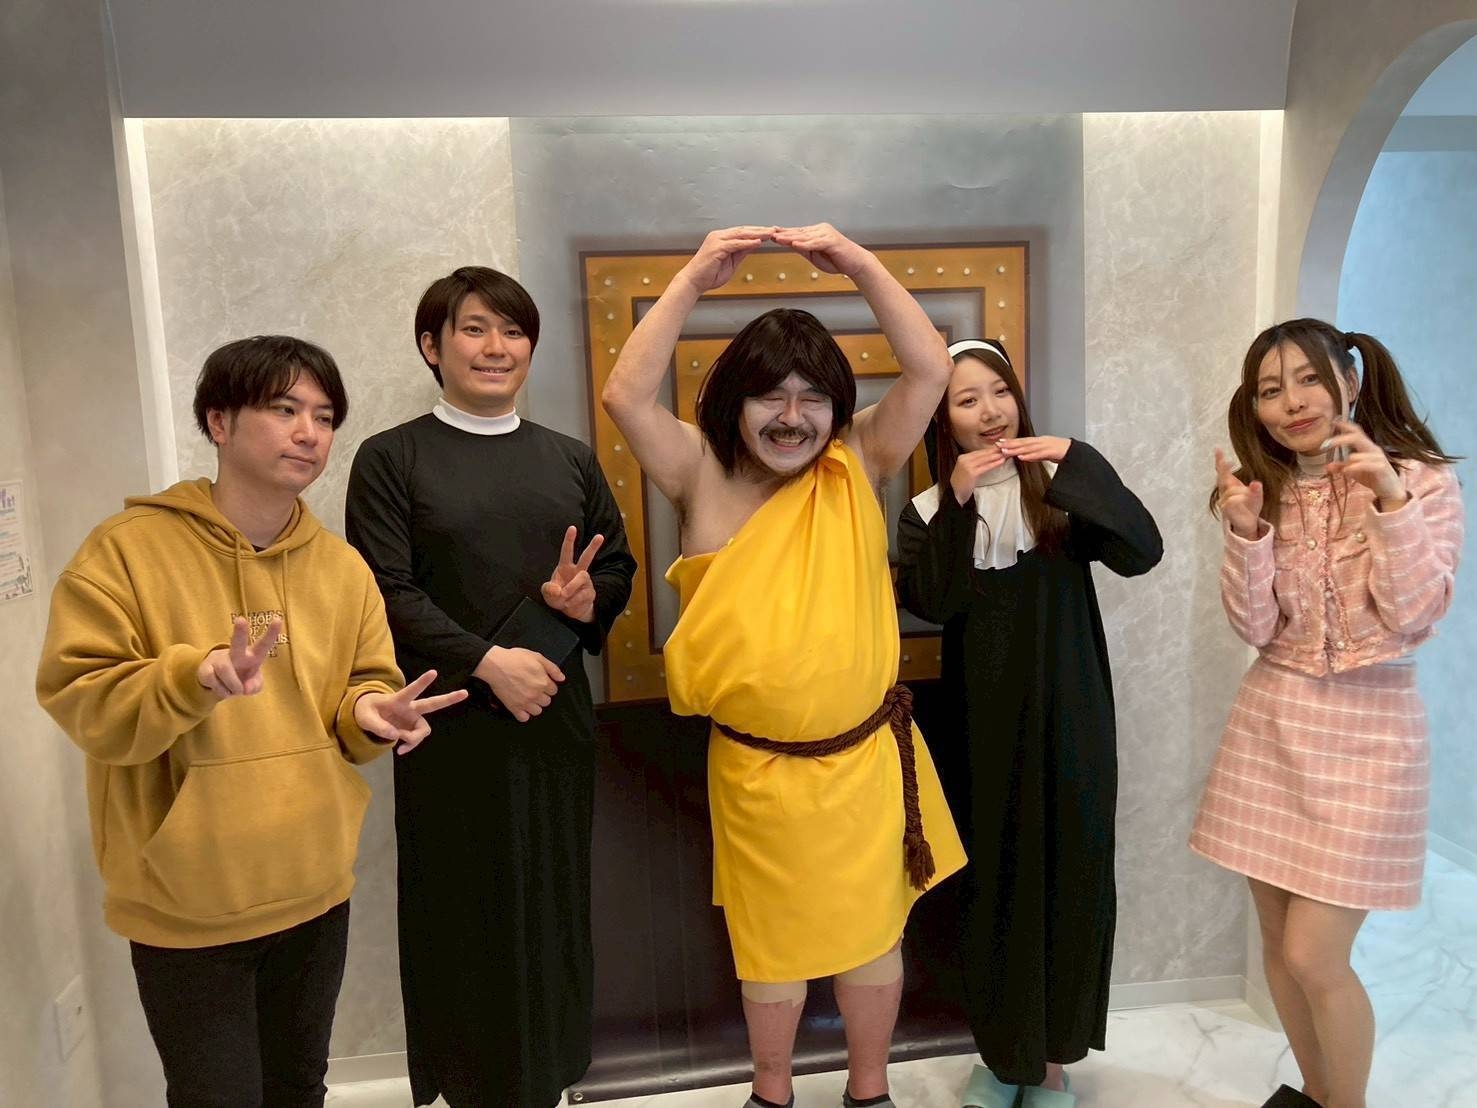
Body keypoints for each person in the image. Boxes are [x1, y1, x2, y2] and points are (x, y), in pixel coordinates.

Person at [35, 335, 463, 1108]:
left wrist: (371, 712)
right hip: (186, 903)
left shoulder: (341, 568)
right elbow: (82, 698)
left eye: (324, 416)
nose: (308, 432)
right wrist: (192, 676)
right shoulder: (125, 553)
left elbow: (359, 689)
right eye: (284, 409)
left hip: (312, 889)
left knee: (299, 1088)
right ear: (219, 422)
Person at [602, 224, 967, 1108]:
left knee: (874, 937)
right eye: (769, 395)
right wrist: (694, 277)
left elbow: (928, 369)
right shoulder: (698, 471)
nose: (792, 417)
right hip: (757, 770)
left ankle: (868, 1091)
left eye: (812, 398)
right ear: (733, 401)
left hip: (865, 760)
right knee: (770, 949)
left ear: (837, 411)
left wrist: (861, 264)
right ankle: (771, 1093)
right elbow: (624, 395)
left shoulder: (857, 462)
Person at [346, 265, 636, 1108]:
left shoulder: (569, 458)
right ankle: (474, 1087)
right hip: (449, 728)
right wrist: (487, 662)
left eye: (512, 331)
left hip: (553, 721)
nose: (495, 347)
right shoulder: (391, 457)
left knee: (551, 905)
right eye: (473, 329)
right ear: (431, 346)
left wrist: (586, 600)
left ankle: (548, 1080)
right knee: (463, 913)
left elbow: (614, 566)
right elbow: (385, 590)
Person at [1189, 319, 1463, 1108]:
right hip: (1272, 725)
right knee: (1278, 944)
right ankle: (1315, 1092)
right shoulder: (1263, 488)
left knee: (1315, 955)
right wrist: (1246, 533)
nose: (1291, 403)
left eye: (1308, 379)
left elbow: (1412, 613)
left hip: (1371, 736)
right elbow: (1255, 628)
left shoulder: (1420, 481)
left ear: (1349, 379)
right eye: (1270, 390)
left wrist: (1389, 500)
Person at [894, 339, 1161, 1107]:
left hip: (1073, 721)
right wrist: (956, 502)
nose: (988, 411)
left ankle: (1049, 1064)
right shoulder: (927, 511)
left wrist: (1080, 459)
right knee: (993, 887)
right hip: (979, 732)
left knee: (1070, 877)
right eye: (965, 399)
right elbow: (933, 601)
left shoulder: (1063, 497)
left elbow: (1141, 550)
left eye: (998, 391)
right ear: (943, 420)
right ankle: (1000, 1056)